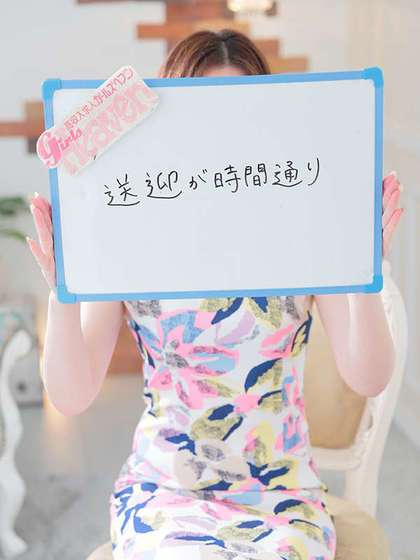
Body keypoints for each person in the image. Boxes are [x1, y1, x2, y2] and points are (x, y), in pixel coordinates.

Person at [27, 29, 403, 560]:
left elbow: (369, 377)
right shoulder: (132, 229)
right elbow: (71, 395)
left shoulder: (304, 228)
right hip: (164, 491)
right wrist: (64, 288)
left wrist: (362, 265)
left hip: (281, 496)